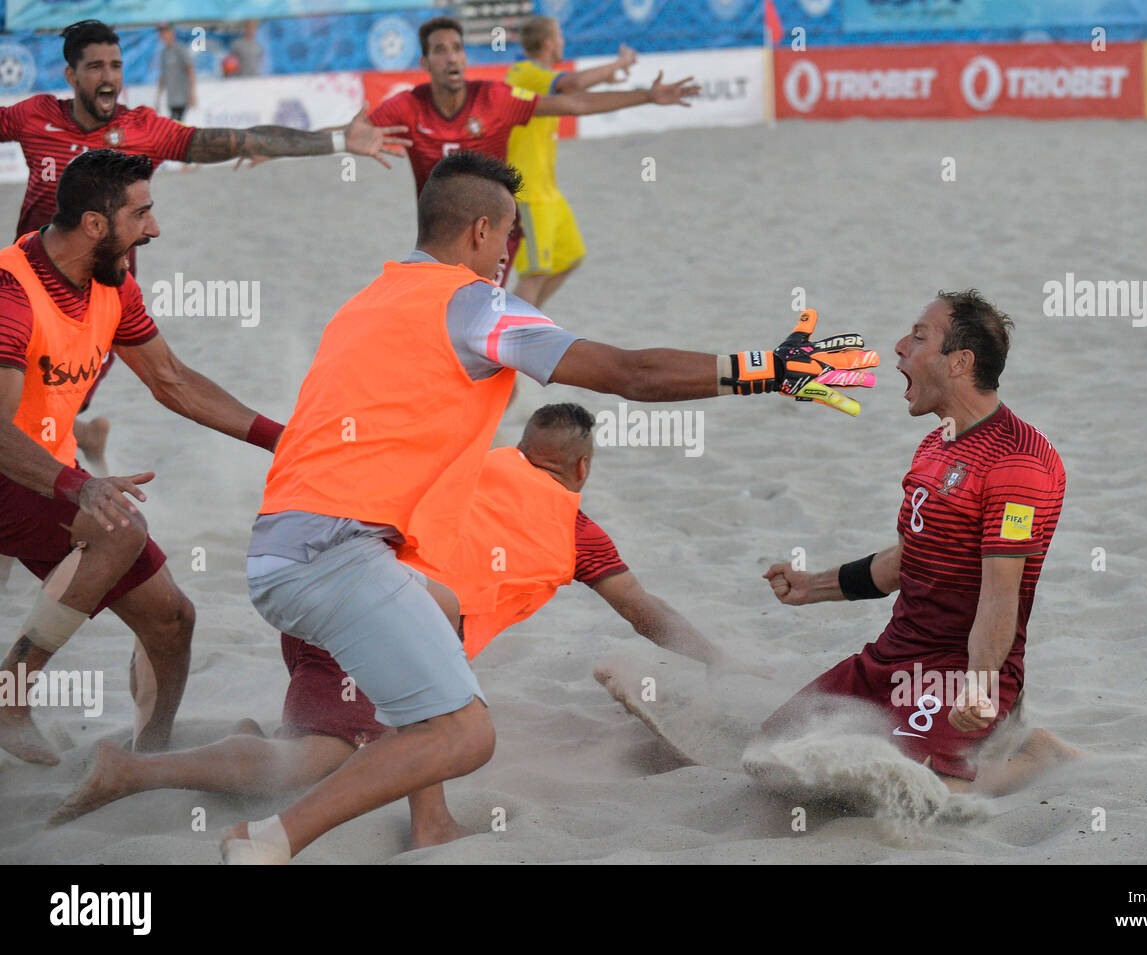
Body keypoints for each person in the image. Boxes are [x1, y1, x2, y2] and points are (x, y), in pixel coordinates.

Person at [220, 150, 876, 863]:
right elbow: (631, 373)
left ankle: (431, 822)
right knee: (467, 734)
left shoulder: (368, 300)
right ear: (479, 231)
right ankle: (271, 839)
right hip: (332, 554)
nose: (510, 254)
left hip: (285, 543)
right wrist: (767, 370)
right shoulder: (475, 305)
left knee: (440, 608)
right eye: (509, 237)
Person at [51, 403, 768, 844]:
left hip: (312, 596)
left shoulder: (468, 466)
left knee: (332, 736)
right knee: (310, 767)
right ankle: (133, 771)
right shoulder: (576, 531)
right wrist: (718, 660)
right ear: (581, 468)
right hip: (377, 619)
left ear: (521, 451)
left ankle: (258, 738)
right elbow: (645, 611)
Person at [0, 19, 410, 467]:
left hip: (103, 297)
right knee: (26, 419)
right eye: (95, 66)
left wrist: (335, 140)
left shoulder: (144, 130)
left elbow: (239, 140)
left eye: (116, 65)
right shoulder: (34, 116)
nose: (109, 77)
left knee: (57, 409)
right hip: (27, 291)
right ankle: (78, 458)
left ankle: (78, 451)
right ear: (71, 76)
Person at [0, 149, 288, 765]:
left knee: (173, 620)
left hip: (43, 473)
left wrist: (280, 439)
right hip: (13, 467)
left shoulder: (112, 284)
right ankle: (10, 699)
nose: (154, 229)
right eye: (142, 213)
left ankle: (148, 759)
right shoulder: (11, 292)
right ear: (96, 226)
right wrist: (79, 486)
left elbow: (173, 381)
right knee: (119, 526)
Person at [758, 291, 1081, 796]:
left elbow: (1000, 597)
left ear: (960, 363)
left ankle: (1036, 754)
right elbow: (909, 559)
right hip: (890, 660)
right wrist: (811, 587)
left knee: (916, 793)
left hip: (958, 674)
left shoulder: (1017, 463)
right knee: (770, 756)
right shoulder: (936, 443)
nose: (899, 347)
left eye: (919, 336)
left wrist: (979, 688)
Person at [368, 16, 697, 284]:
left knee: (562, 262)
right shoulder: (524, 74)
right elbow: (574, 89)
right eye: (441, 50)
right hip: (518, 201)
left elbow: (575, 99)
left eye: (457, 48)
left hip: (517, 212)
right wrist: (336, 142)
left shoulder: (498, 94)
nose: (452, 56)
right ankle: (520, 321)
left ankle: (521, 323)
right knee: (530, 279)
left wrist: (643, 94)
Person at [507, 17, 636, 307]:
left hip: (548, 192)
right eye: (561, 38)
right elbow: (575, 83)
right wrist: (618, 64)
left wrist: (606, 77)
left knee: (570, 257)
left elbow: (573, 92)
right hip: (525, 192)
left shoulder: (542, 78)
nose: (564, 43)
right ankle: (509, 333)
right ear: (549, 43)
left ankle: (528, 320)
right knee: (534, 272)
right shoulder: (525, 72)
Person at [155, 24, 195, 123]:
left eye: (165, 32)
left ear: (172, 33)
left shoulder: (180, 49)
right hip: (171, 98)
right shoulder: (164, 52)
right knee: (175, 124)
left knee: (178, 125)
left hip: (182, 97)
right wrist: (158, 98)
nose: (162, 36)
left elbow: (190, 70)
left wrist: (192, 94)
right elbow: (163, 76)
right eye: (161, 33)